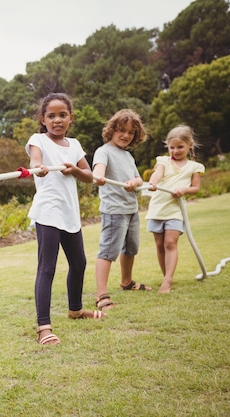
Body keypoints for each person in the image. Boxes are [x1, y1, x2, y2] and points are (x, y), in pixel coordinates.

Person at [25, 92, 103, 347]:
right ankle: (43, 328)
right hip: (48, 212)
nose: (57, 120)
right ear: (43, 119)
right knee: (47, 268)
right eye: (51, 116)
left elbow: (89, 176)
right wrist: (40, 167)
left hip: (70, 213)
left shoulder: (75, 145)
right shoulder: (38, 140)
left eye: (62, 115)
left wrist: (76, 170)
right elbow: (35, 161)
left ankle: (76, 310)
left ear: (71, 118)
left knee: (79, 262)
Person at [92, 109, 151, 311]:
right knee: (108, 251)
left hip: (131, 208)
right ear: (112, 130)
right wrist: (98, 175)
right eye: (121, 130)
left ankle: (126, 282)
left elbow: (139, 178)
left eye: (131, 132)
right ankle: (101, 295)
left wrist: (134, 182)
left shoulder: (127, 155)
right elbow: (98, 169)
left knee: (131, 248)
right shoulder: (104, 151)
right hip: (114, 210)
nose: (126, 135)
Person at [146, 125, 205, 294]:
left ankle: (168, 281)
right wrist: (153, 182)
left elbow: (195, 188)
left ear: (189, 145)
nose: (176, 151)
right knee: (159, 245)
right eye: (172, 147)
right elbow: (158, 174)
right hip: (157, 208)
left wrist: (183, 190)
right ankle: (166, 275)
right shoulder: (163, 161)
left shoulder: (194, 167)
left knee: (170, 243)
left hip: (175, 210)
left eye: (180, 147)